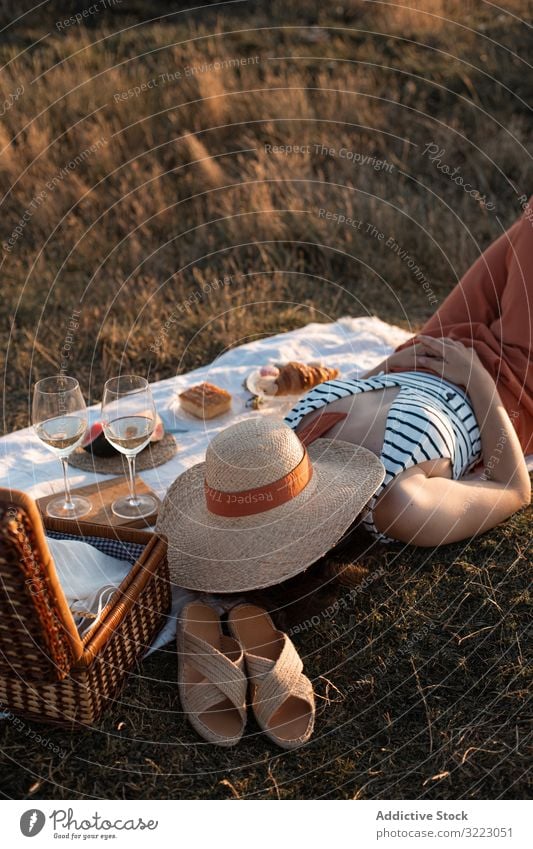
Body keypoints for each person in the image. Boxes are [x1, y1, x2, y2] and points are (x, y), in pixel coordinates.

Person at [285, 201, 532, 547]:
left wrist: (389, 366)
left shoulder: (282, 445)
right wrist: (475, 376)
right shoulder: (398, 507)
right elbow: (513, 490)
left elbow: (361, 389)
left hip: (427, 349)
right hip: (508, 385)